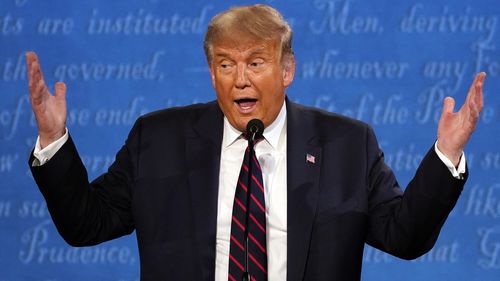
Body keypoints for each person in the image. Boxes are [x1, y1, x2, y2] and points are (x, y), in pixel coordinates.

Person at [26, 4, 486, 281]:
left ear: (287, 71)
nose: (240, 79)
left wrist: (445, 153)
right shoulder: (158, 138)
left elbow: (404, 237)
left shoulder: (347, 145)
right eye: (226, 65)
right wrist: (53, 138)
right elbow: (86, 223)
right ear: (212, 74)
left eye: (255, 62)